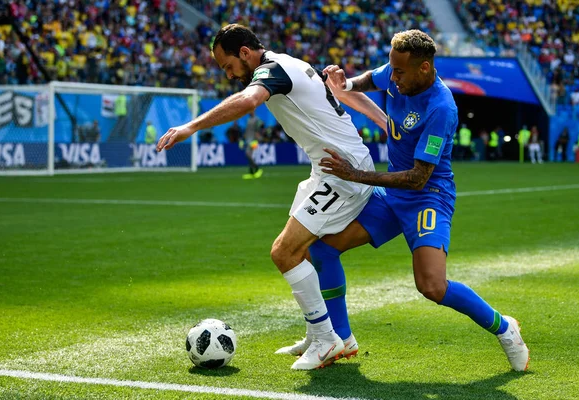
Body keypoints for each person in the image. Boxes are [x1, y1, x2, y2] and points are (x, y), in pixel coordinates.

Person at [277, 29, 529, 372]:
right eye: (392, 69)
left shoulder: (441, 108)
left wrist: (355, 174)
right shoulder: (399, 72)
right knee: (321, 248)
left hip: (427, 197)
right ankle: (341, 338)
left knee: (432, 286)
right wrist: (346, 84)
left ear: (424, 69)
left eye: (399, 72)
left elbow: (417, 177)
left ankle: (504, 327)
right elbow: (373, 78)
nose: (392, 77)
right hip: (392, 195)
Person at [156, 24, 387, 370]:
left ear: (245, 53)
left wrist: (191, 126)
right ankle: (322, 333)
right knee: (303, 251)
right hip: (326, 170)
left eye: (228, 66)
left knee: (284, 251)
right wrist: (383, 121)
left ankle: (326, 340)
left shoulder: (272, 70)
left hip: (343, 173)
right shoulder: (289, 64)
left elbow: (249, 100)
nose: (230, 74)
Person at [241, 111, 264, 179]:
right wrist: (243, 139)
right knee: (249, 155)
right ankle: (251, 172)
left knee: (247, 154)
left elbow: (260, 128)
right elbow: (246, 130)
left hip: (253, 140)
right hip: (248, 140)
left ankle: (257, 168)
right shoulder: (248, 120)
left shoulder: (257, 119)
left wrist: (258, 137)